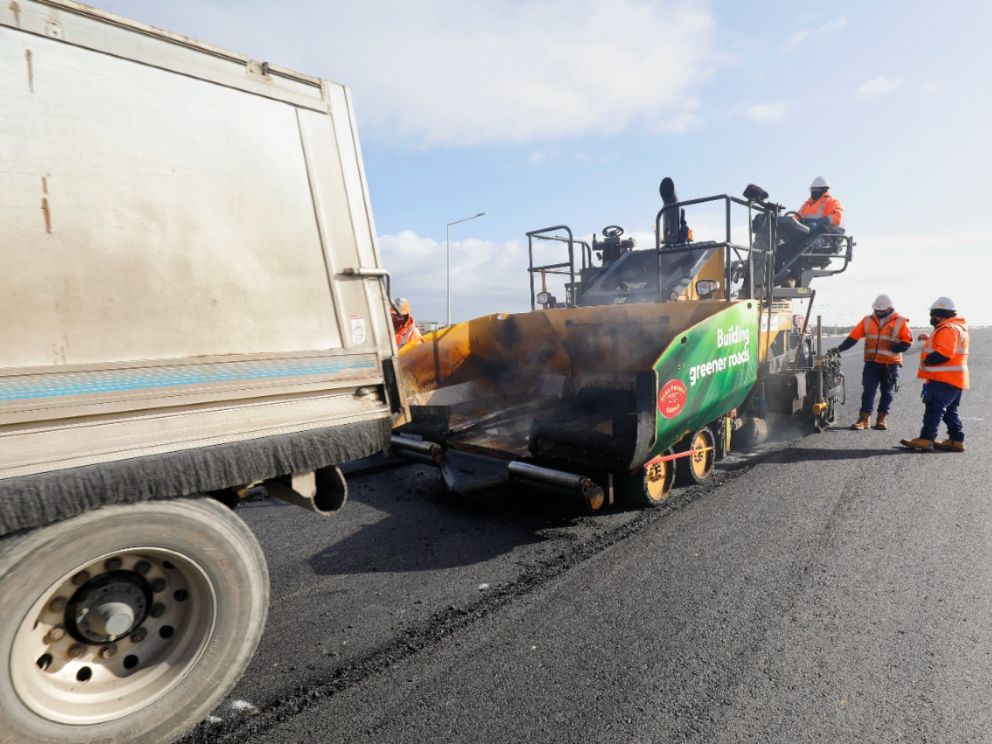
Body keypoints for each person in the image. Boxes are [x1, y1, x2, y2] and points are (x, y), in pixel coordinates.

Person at [830, 294, 912, 430]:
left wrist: (897, 346)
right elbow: (853, 337)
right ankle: (864, 420)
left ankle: (881, 419)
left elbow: (907, 342)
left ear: (889, 308)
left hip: (890, 364)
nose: (878, 312)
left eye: (881, 310)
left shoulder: (900, 322)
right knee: (868, 391)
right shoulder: (867, 320)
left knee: (887, 392)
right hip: (872, 363)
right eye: (876, 310)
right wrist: (839, 349)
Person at [901, 298, 969, 452]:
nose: (931, 317)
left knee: (934, 409)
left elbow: (944, 352)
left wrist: (928, 360)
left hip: (944, 379)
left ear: (938, 314)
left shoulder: (948, 329)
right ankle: (956, 440)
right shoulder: (956, 328)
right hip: (955, 379)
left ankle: (926, 439)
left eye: (932, 314)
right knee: (950, 411)